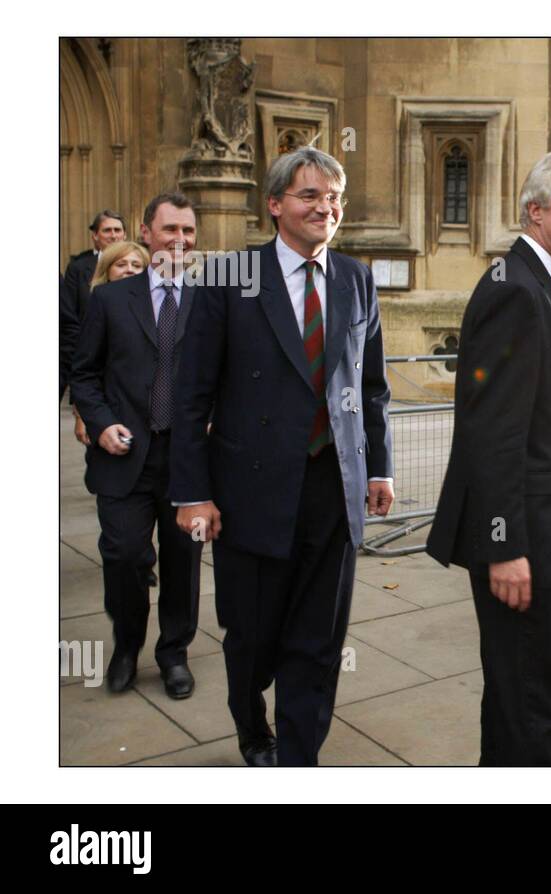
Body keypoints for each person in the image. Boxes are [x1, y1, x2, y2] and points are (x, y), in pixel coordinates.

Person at [171, 147, 394, 767]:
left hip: (333, 487)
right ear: (274, 205)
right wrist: (193, 492)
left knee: (319, 640)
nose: (325, 207)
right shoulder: (227, 277)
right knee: (251, 635)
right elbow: (191, 398)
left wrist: (378, 466)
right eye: (309, 196)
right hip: (250, 492)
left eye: (333, 197)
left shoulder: (356, 278)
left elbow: (371, 386)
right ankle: (252, 726)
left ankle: (298, 759)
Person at [426, 150, 551, 766]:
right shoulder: (517, 291)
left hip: (544, 528)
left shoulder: (549, 279)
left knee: (521, 693)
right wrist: (504, 547)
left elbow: (534, 410)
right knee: (531, 701)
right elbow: (492, 432)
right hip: (521, 536)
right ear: (535, 211)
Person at [70, 195, 204, 700]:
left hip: (187, 462)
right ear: (145, 233)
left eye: (188, 231)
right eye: (169, 229)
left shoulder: (209, 300)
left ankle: (174, 653)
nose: (179, 240)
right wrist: (100, 424)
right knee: (124, 556)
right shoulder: (109, 299)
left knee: (182, 563)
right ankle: (127, 647)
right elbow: (83, 374)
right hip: (123, 458)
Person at [69, 242, 152, 449]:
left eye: (136, 264)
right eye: (121, 264)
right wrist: (85, 417)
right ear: (107, 269)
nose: (129, 269)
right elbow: (85, 369)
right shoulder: (98, 304)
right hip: (110, 418)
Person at [61, 210, 126, 400]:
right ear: (95, 236)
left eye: (117, 230)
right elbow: (71, 317)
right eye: (107, 230)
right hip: (91, 356)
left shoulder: (140, 263)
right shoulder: (79, 268)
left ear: (125, 235)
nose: (113, 235)